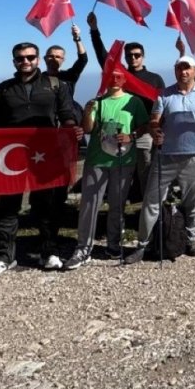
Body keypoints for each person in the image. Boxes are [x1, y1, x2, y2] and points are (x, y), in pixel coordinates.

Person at [0, 43, 80, 277]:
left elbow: (66, 114)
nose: (25, 62)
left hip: (45, 156)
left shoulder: (56, 85)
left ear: (38, 59)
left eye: (30, 57)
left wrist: (71, 130)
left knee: (46, 206)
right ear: (13, 61)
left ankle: (49, 252)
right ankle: (4, 257)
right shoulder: (4, 89)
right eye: (20, 58)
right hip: (11, 157)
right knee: (8, 207)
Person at [126, 56, 195, 262]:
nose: (183, 72)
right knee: (152, 200)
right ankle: (143, 244)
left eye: (187, 68)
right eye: (179, 68)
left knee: (194, 201)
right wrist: (155, 130)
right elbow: (154, 121)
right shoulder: (164, 94)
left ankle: (189, 239)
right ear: (175, 71)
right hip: (166, 154)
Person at [64, 68, 149, 269]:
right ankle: (84, 247)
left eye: (119, 77)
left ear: (125, 80)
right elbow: (88, 129)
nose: (114, 81)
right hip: (97, 160)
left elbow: (143, 125)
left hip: (123, 161)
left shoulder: (134, 102)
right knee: (89, 205)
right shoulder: (97, 103)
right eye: (111, 77)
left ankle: (114, 244)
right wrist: (87, 112)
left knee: (117, 204)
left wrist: (132, 136)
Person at [86, 12, 167, 193]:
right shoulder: (120, 74)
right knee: (124, 171)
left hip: (146, 131)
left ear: (143, 56)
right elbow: (102, 56)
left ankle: (146, 207)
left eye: (137, 55)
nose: (133, 58)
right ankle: (125, 201)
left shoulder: (155, 78)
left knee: (146, 169)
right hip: (121, 131)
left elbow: (164, 104)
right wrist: (94, 30)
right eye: (129, 55)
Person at [44, 24, 89, 101]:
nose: (54, 59)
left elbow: (83, 59)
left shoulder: (69, 76)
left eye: (58, 57)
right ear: (45, 58)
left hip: (67, 112)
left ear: (63, 60)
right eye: (51, 56)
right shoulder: (38, 79)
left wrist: (77, 38)